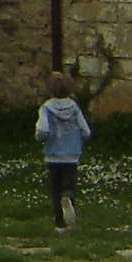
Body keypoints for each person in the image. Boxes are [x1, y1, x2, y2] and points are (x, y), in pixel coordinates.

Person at [36, 70, 92, 230]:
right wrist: (80, 139)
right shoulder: (74, 108)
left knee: (55, 190)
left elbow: (43, 129)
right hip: (72, 155)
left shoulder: (46, 108)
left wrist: (41, 137)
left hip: (53, 156)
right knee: (69, 185)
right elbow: (86, 131)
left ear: (50, 90)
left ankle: (60, 223)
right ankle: (68, 198)